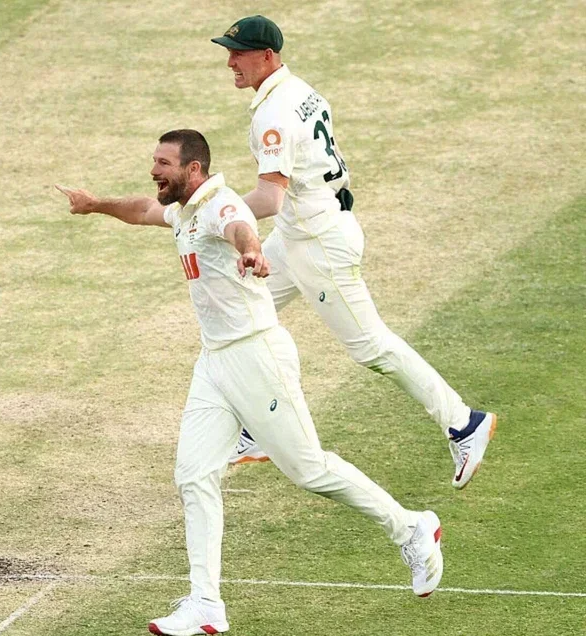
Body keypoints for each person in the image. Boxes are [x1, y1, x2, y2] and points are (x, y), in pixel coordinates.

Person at [56, 130, 443, 636]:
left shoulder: (218, 206)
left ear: (193, 169)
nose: (154, 171)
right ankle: (206, 602)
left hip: (258, 355)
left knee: (308, 470)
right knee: (194, 475)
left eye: (163, 163)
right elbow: (140, 209)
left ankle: (411, 527)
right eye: (154, 161)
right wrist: (94, 205)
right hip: (214, 362)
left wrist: (254, 251)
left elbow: (241, 227)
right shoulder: (182, 209)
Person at [211, 16, 496, 488]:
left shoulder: (272, 114)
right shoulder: (299, 90)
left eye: (238, 53)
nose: (229, 61)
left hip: (318, 243)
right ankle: (255, 427)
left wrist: (213, 215)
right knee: (241, 310)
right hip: (305, 232)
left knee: (371, 347)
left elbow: (269, 198)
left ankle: (463, 422)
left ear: (267, 56)